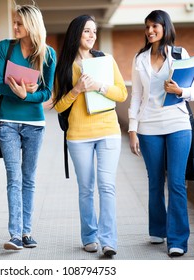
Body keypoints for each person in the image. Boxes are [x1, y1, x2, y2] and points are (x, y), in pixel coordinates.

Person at [128, 10, 194, 257]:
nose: (150, 31)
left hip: (178, 124)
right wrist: (132, 128)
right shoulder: (140, 58)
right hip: (149, 126)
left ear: (164, 27)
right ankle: (158, 229)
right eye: (147, 26)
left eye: (154, 26)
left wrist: (181, 91)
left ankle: (178, 239)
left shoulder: (180, 54)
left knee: (177, 182)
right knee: (155, 180)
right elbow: (136, 96)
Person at [53, 15, 127, 257]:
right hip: (78, 135)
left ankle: (108, 241)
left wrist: (99, 87)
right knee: (86, 188)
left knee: (107, 186)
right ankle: (89, 237)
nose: (92, 35)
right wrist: (77, 90)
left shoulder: (106, 60)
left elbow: (122, 94)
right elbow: (59, 106)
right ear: (76, 33)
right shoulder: (64, 66)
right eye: (87, 31)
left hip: (108, 131)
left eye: (94, 31)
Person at [0, 4, 56, 250]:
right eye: (14, 22)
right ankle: (15, 234)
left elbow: (47, 93)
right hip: (7, 121)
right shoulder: (5, 47)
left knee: (28, 178)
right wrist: (16, 90)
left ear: (32, 25)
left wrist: (27, 96)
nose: (15, 27)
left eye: (19, 23)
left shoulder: (48, 54)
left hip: (35, 124)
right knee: (14, 177)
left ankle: (27, 232)